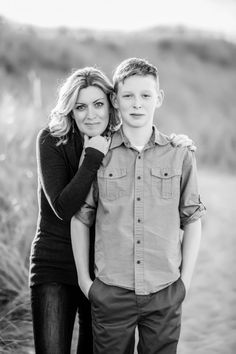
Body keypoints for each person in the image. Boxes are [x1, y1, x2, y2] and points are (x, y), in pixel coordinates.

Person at [29, 65, 194, 354]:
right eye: (80, 107)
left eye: (98, 104)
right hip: (55, 265)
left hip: (104, 273)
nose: (90, 114)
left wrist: (176, 143)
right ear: (70, 110)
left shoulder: (119, 144)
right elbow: (65, 209)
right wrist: (93, 155)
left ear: (110, 104)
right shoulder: (53, 140)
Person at [71, 58, 206, 354]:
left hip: (165, 291)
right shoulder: (98, 153)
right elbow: (81, 218)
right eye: (128, 96)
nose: (137, 104)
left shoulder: (180, 154)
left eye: (145, 95)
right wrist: (86, 282)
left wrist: (184, 283)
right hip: (111, 293)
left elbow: (192, 219)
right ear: (115, 100)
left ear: (158, 98)